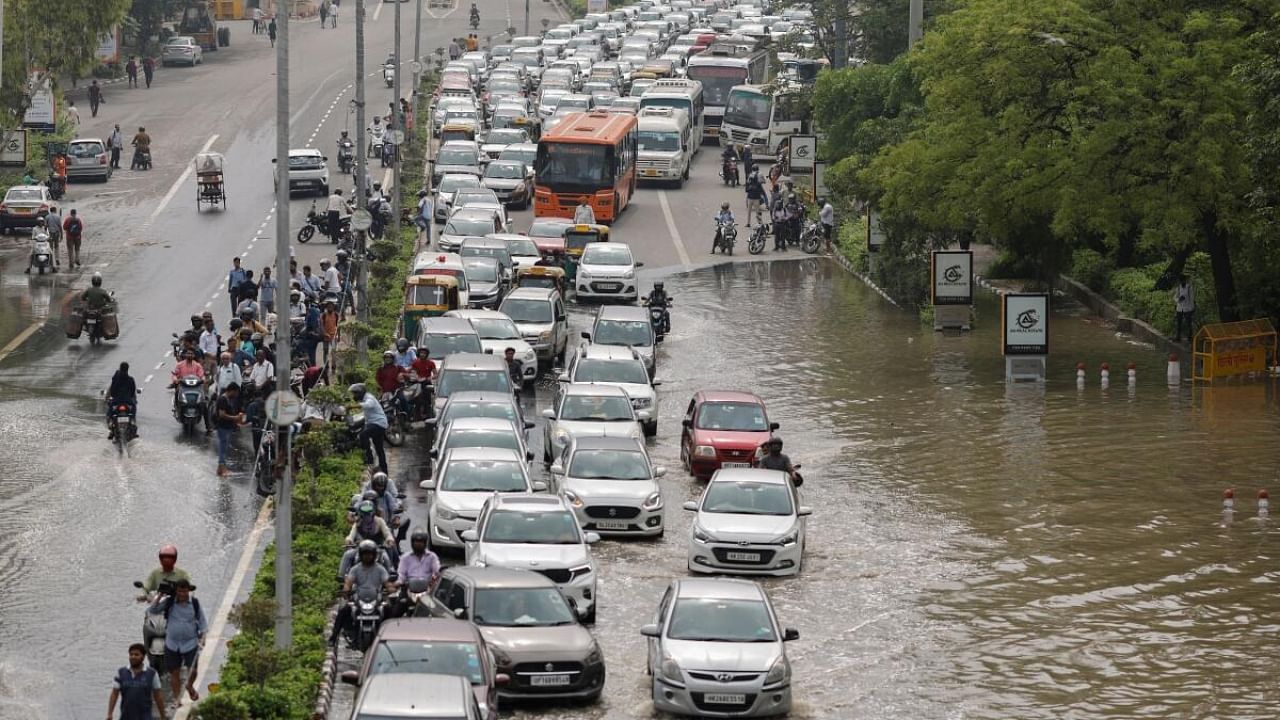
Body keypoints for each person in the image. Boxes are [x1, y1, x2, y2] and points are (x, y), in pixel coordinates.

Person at [329, 540, 395, 647]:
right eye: (365, 554)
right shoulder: (355, 569)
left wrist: (391, 590)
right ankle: (333, 637)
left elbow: (388, 583)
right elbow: (348, 582)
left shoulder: (380, 569)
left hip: (376, 599)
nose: (367, 556)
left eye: (370, 554)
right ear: (360, 555)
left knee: (390, 611)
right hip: (359, 598)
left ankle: (391, 637)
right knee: (343, 611)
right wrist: (346, 591)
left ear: (374, 555)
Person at [148, 578, 204, 703]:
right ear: (176, 591)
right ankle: (177, 698)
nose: (182, 594)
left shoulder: (194, 603)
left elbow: (202, 621)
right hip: (172, 644)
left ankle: (189, 685)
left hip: (190, 643)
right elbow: (152, 610)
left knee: (193, 671)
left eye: (185, 591)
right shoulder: (169, 602)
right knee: (175, 672)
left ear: (188, 591)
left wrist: (203, 636)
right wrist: (160, 595)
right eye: (179, 591)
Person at [106, 643, 167, 720]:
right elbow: (114, 694)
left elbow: (158, 696)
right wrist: (110, 713)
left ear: (143, 657)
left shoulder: (152, 674)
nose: (133, 657)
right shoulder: (121, 672)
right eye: (131, 654)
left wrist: (163, 716)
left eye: (136, 654)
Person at [391, 529, 440, 617]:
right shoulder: (405, 558)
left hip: (427, 591)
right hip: (408, 590)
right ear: (412, 543)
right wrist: (398, 583)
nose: (418, 544)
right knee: (395, 611)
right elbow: (401, 574)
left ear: (425, 543)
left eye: (421, 542)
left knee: (436, 611)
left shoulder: (432, 557)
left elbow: (437, 572)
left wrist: (433, 581)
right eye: (416, 541)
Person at [351, 383, 389, 474]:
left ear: (360, 392)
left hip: (378, 423)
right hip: (377, 424)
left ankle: (369, 458)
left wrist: (353, 406)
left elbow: (369, 405)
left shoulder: (369, 398)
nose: (354, 396)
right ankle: (384, 471)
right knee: (379, 449)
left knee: (363, 435)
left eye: (355, 393)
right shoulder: (365, 398)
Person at [214, 383, 244, 476]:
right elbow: (222, 414)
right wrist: (234, 418)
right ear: (232, 391)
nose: (236, 395)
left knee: (224, 447)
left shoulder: (227, 399)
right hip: (223, 427)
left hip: (226, 427)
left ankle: (220, 469)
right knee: (223, 448)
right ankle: (222, 469)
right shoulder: (223, 399)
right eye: (236, 393)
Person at [106, 362, 138, 440]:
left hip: (117, 401)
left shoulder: (116, 379)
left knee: (109, 413)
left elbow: (112, 392)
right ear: (128, 369)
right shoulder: (131, 379)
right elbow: (132, 392)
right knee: (134, 409)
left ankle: (111, 426)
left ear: (120, 368)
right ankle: (133, 423)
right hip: (128, 401)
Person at [1173, 274, 1195, 342]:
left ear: (1185, 280)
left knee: (1188, 323)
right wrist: (1178, 299)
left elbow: (1192, 299)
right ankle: (1178, 337)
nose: (1182, 282)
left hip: (1187, 308)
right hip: (1179, 308)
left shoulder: (1189, 288)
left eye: (1183, 281)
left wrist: (1192, 308)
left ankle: (1190, 337)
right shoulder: (1178, 288)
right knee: (1179, 323)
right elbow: (1174, 297)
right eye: (1181, 281)